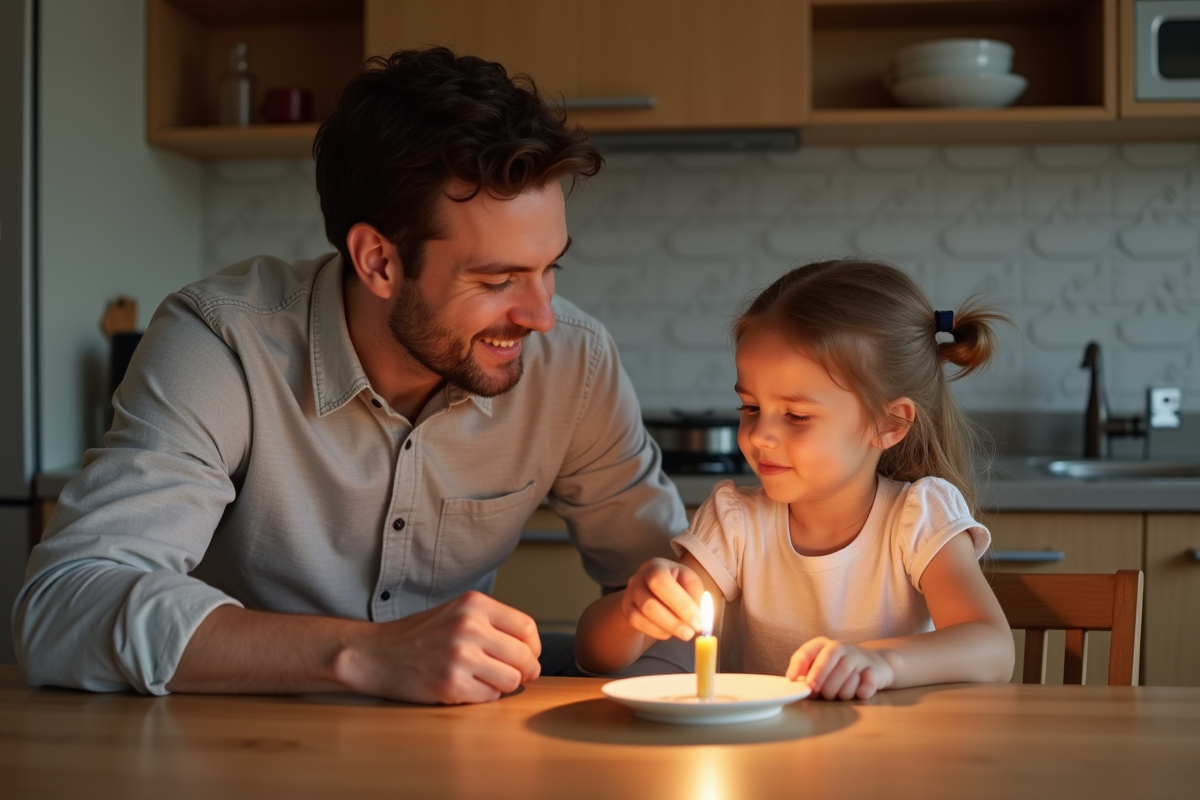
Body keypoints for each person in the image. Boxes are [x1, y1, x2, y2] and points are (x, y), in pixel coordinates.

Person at [14, 48, 689, 704]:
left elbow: (666, 605)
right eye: (497, 279)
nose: (541, 316)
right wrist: (365, 655)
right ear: (379, 262)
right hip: (227, 750)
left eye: (550, 269)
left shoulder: (575, 363)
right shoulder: (223, 342)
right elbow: (64, 605)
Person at [574, 259, 1016, 699]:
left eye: (796, 415)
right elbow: (595, 655)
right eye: (750, 407)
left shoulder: (919, 517)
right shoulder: (736, 523)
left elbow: (993, 649)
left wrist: (881, 661)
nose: (761, 435)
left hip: (890, 756)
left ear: (889, 424)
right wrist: (633, 613)